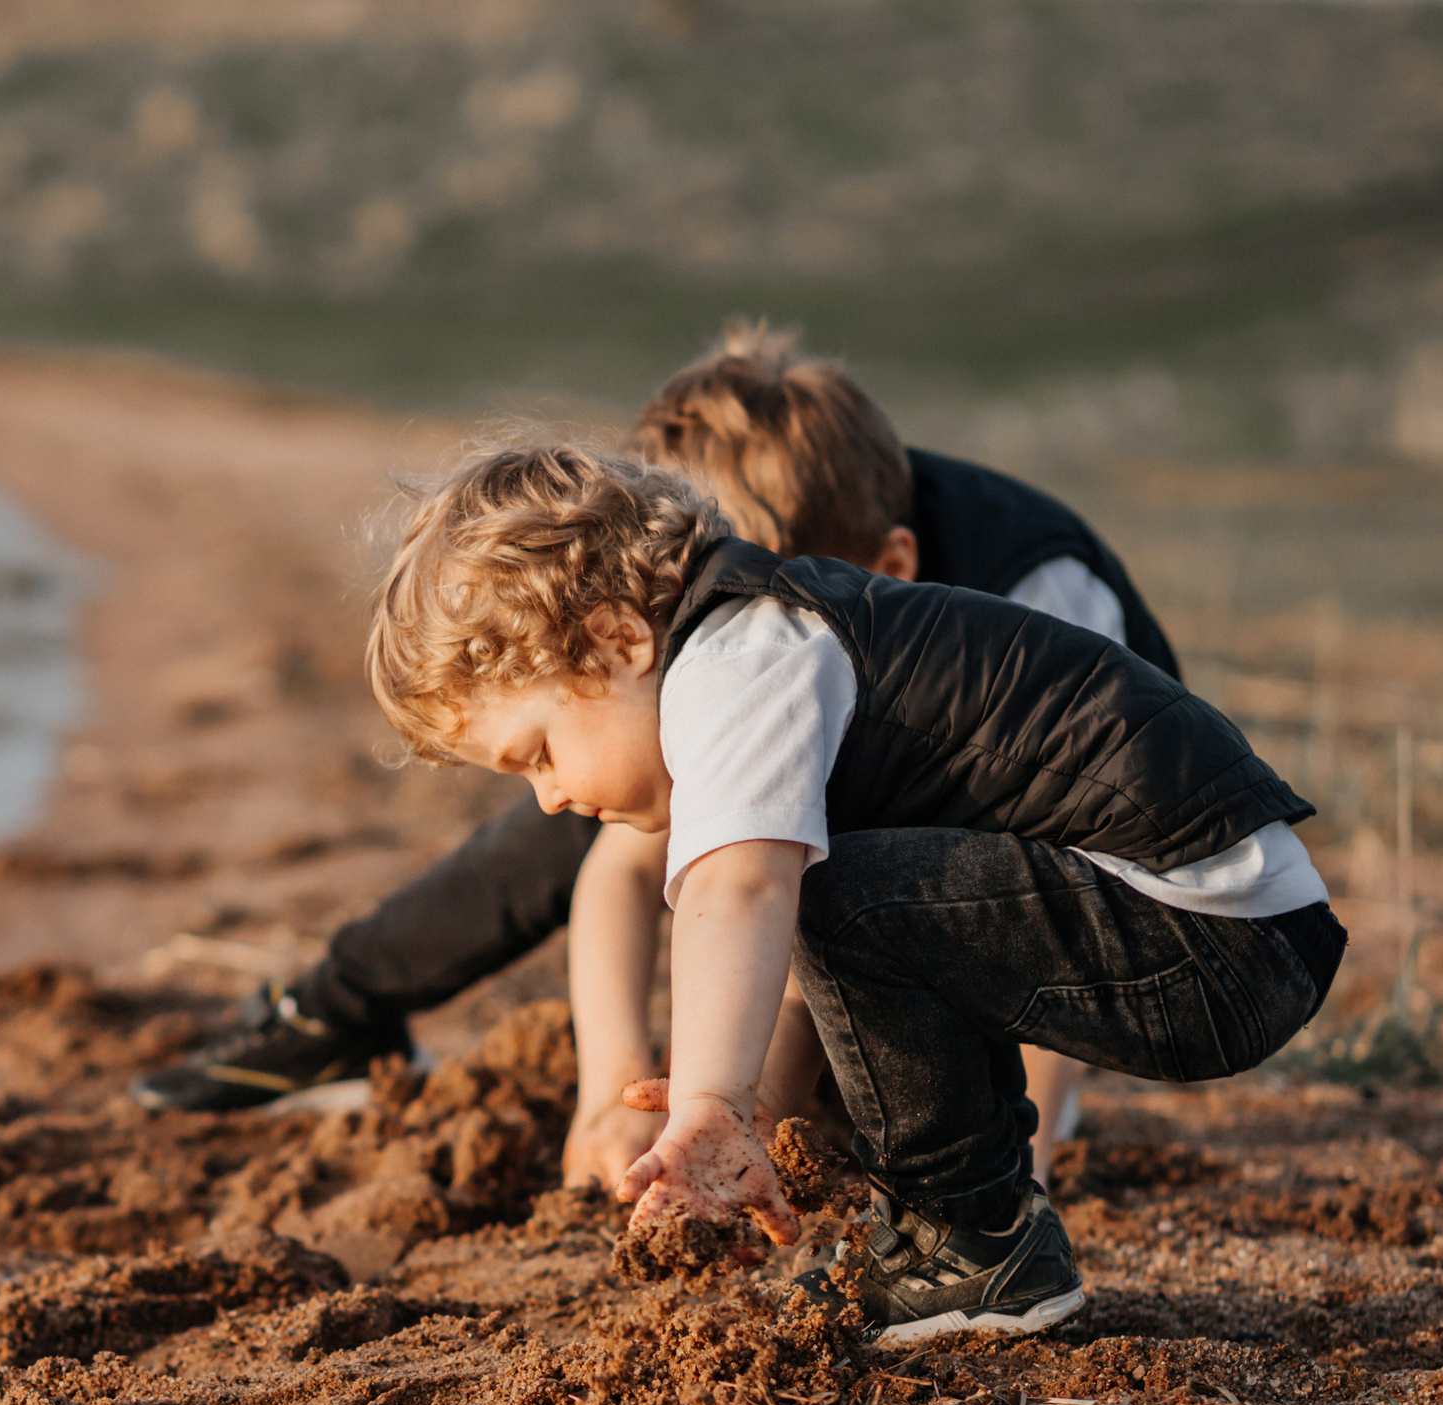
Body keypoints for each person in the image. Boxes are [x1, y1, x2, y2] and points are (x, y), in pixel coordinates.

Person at [133, 324, 1177, 1189]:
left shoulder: (1028, 595)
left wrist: (1036, 1132)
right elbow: (631, 868)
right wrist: (617, 1083)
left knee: (811, 878)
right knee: (588, 808)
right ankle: (339, 1002)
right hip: (803, 780)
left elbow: (1070, 860)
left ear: (882, 565)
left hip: (1062, 846)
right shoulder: (715, 642)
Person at [361, 442, 1342, 1341]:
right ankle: (962, 1232)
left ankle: (973, 1241)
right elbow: (809, 961)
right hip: (1219, 928)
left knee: (841, 898)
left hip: (1211, 938)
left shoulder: (738, 662)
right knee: (850, 898)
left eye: (538, 752)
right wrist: (748, 1136)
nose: (551, 797)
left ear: (618, 639)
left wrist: (708, 1102)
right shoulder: (766, 647)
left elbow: (740, 896)